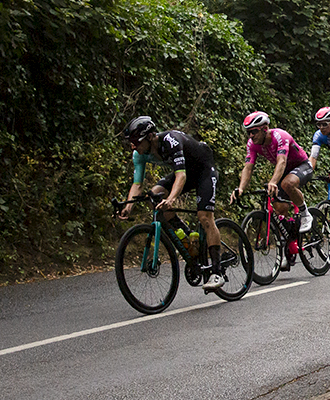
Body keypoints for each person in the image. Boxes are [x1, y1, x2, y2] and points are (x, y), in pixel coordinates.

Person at [122, 115, 225, 291]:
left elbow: (181, 176)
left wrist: (171, 199)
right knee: (154, 195)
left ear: (149, 137)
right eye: (131, 143)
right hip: (185, 172)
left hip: (203, 170)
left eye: (136, 142)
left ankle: (217, 272)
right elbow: (137, 184)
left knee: (205, 217)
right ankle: (186, 235)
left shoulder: (171, 141)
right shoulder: (139, 154)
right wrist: (128, 207)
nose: (134, 147)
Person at [231, 111, 314, 269]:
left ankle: (305, 213)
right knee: (279, 210)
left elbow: (281, 161)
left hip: (301, 166)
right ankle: (288, 247)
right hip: (283, 173)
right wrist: (240, 188)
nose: (251, 136)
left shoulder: (279, 136)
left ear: (265, 128)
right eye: (248, 132)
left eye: (254, 131)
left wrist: (273, 181)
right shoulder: (252, 145)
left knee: (287, 184)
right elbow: (248, 167)